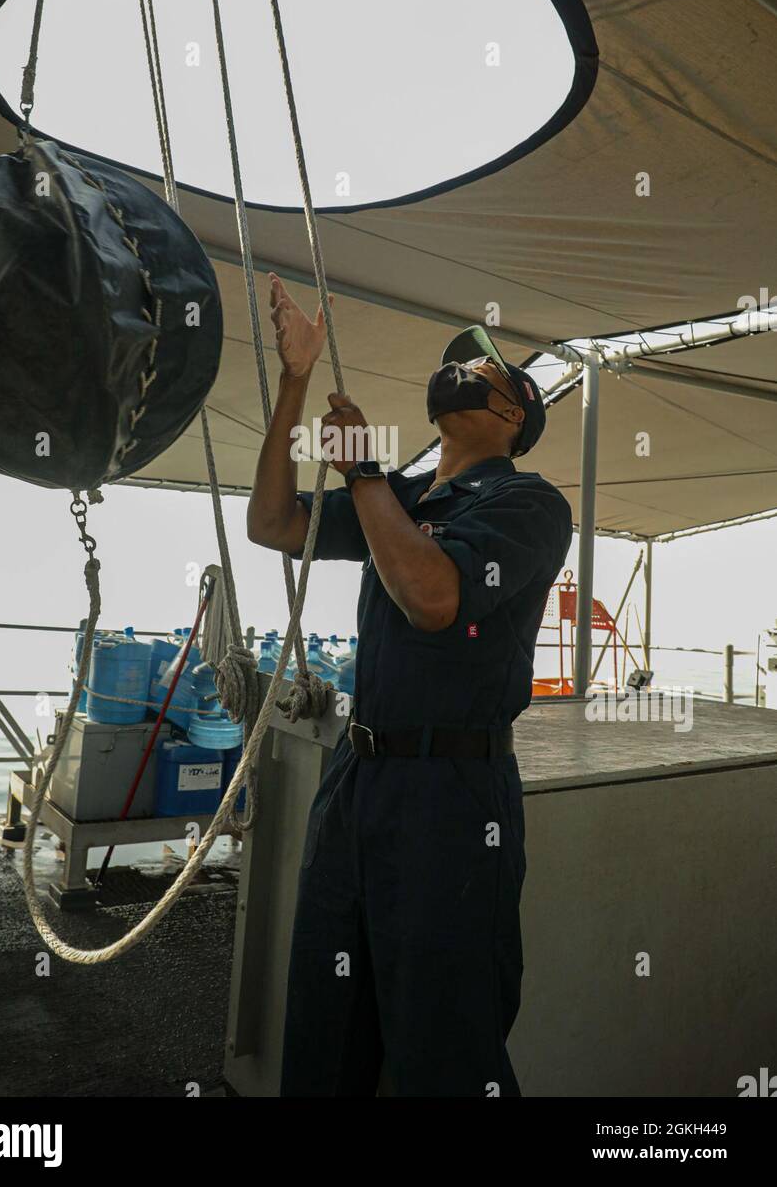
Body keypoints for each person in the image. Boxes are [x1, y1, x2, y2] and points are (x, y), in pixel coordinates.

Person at [247, 274, 572, 1097]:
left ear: (513, 413)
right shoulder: (396, 496)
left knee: (443, 1044)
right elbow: (273, 522)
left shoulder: (529, 504)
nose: (455, 369)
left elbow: (434, 597)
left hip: (453, 799)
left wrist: (361, 475)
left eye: (481, 368)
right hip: (358, 782)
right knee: (324, 1028)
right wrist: (295, 381)